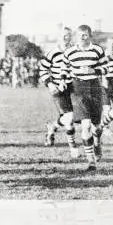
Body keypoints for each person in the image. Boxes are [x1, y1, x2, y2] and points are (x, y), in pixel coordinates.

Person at [60, 24, 108, 172]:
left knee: (96, 126)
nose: (82, 37)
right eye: (80, 34)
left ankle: (97, 143)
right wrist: (62, 80)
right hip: (78, 88)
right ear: (76, 36)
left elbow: (106, 68)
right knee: (85, 125)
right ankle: (91, 161)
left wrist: (94, 69)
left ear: (90, 35)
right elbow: (64, 69)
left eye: (85, 34)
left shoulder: (97, 50)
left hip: (94, 88)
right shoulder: (69, 52)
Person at [38, 26, 80, 158]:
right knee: (69, 119)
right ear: (58, 36)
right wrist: (50, 84)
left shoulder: (75, 52)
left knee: (72, 117)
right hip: (57, 89)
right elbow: (43, 69)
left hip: (72, 88)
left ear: (71, 37)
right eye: (62, 35)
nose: (64, 37)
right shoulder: (53, 53)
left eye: (67, 35)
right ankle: (73, 148)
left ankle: (52, 126)